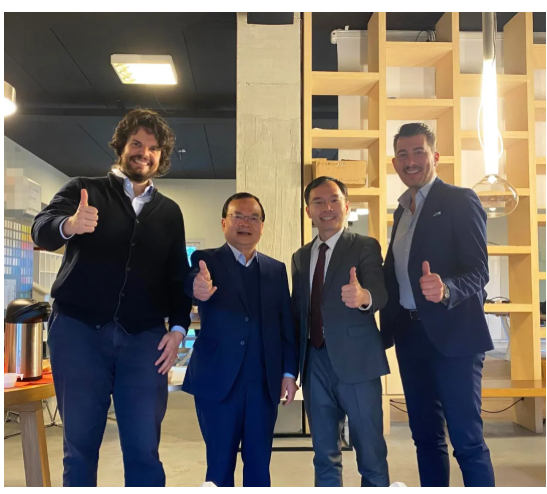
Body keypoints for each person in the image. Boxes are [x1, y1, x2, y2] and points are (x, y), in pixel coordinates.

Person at [31, 109, 192, 487]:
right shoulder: (82, 189)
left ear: (162, 157)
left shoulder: (170, 212)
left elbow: (176, 276)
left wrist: (179, 329)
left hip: (144, 340)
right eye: (136, 143)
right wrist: (69, 225)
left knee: (144, 447)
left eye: (153, 148)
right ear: (121, 146)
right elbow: (41, 229)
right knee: (80, 446)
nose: (144, 153)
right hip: (79, 334)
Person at [381, 122, 495, 487]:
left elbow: (479, 271)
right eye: (402, 154)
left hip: (454, 336)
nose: (410, 161)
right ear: (394, 162)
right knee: (425, 437)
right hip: (410, 336)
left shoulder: (460, 200)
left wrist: (446, 288)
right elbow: (394, 274)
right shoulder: (401, 212)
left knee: (467, 440)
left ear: (436, 156)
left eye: (419, 152)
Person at [183, 192, 298, 487]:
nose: (245, 223)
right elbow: (192, 281)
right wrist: (197, 287)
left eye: (253, 217)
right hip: (218, 381)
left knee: (259, 465)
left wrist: (289, 373)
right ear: (224, 223)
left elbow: (286, 324)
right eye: (238, 216)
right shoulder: (206, 260)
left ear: (262, 226)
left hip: (263, 382)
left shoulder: (276, 270)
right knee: (219, 466)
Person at [291, 176, 390, 487]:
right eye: (318, 202)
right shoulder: (300, 257)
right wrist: (291, 369)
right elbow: (298, 313)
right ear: (308, 210)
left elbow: (380, 292)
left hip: (358, 362)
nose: (327, 208)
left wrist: (363, 297)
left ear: (347, 207)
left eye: (334, 200)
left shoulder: (364, 246)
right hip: (314, 363)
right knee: (324, 454)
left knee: (370, 452)